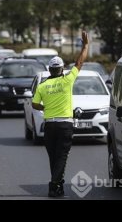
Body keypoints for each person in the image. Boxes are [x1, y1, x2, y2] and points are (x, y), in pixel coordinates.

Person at [32, 31, 89, 197]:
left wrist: (46, 108)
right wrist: (85, 45)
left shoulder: (42, 86)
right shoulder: (67, 80)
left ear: (50, 70)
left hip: (49, 125)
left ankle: (58, 185)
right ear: (62, 69)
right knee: (61, 156)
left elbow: (35, 104)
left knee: (54, 157)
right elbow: (79, 63)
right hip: (65, 125)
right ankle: (53, 185)